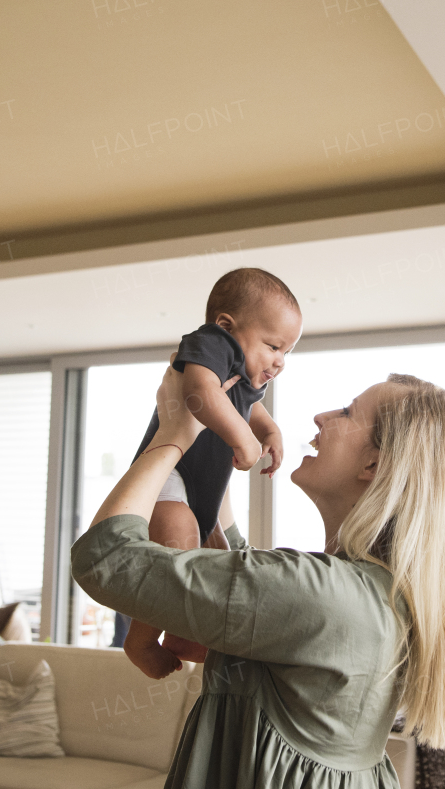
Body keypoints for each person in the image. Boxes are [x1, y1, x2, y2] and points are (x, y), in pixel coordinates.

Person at [71, 364, 445, 787]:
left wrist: (170, 437)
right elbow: (243, 573)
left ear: (373, 463)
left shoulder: (323, 594)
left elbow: (104, 559)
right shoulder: (376, 592)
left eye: (347, 412)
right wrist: (218, 444)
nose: (321, 417)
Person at [122, 268, 303, 680]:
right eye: (274, 345)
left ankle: (184, 635)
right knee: (178, 539)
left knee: (218, 568)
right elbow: (199, 392)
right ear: (226, 326)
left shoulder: (238, 371)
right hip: (171, 470)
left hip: (204, 490)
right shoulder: (211, 343)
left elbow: (248, 405)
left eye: (287, 352)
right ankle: (141, 639)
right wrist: (242, 439)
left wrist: (269, 430)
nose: (280, 360)